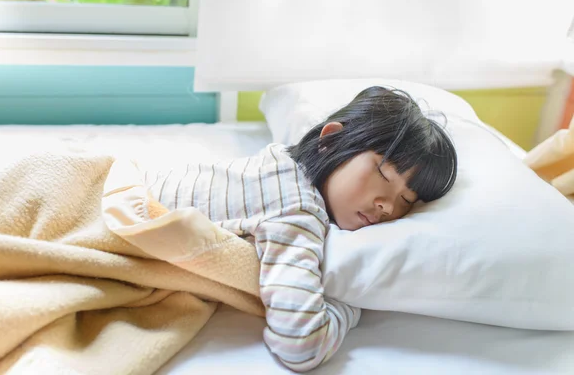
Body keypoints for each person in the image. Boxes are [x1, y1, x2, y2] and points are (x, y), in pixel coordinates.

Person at [114, 86, 458, 372]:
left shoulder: (278, 161)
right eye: (383, 174)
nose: (388, 206)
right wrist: (350, 306)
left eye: (406, 200)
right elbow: (302, 344)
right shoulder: (297, 208)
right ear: (331, 141)